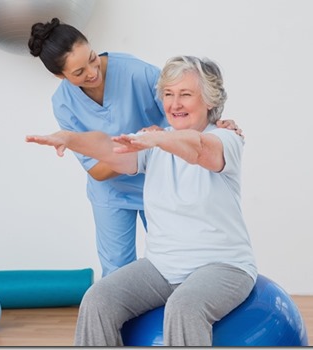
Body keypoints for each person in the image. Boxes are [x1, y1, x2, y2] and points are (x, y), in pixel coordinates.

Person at [26, 55, 257, 346]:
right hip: (162, 267)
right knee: (98, 299)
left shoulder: (226, 138)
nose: (174, 104)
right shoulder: (155, 141)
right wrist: (70, 138)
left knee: (184, 306)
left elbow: (199, 150)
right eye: (169, 95)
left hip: (223, 266)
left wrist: (159, 139)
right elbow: (109, 149)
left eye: (185, 95)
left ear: (209, 100)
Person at [27, 18, 243, 277]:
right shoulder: (63, 103)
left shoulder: (136, 73)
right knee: (117, 272)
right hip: (112, 193)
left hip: (164, 183)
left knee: (177, 266)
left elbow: (185, 111)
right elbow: (96, 169)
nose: (92, 72)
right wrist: (135, 149)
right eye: (79, 72)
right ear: (59, 76)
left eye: (92, 58)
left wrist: (217, 124)